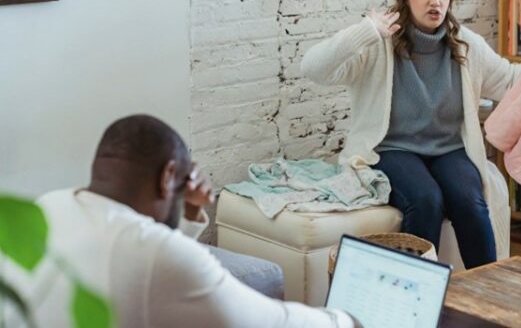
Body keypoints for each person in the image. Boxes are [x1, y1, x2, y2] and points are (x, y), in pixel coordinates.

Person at [5, 115, 357, 327]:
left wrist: (189, 215)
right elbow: (270, 321)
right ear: (169, 174)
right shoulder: (151, 253)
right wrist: (344, 319)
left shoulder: (48, 205)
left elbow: (151, 254)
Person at [301, 0, 521, 269]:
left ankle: (490, 297)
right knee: (426, 201)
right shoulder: (379, 43)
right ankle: (415, 301)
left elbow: (510, 80)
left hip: (449, 150)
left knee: (471, 202)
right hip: (393, 150)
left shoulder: (464, 44)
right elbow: (313, 68)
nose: (435, 1)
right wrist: (366, 30)